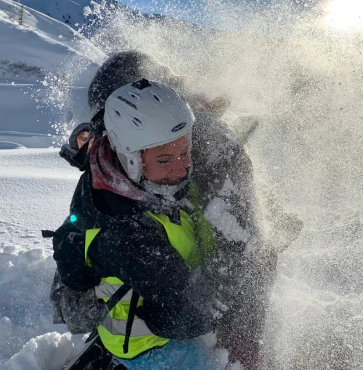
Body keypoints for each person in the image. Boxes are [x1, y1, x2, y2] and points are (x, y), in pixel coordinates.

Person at [52, 78, 274, 369]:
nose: (181, 167)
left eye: (185, 152)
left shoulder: (120, 173)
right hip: (155, 350)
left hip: (171, 301)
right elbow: (189, 316)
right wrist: (219, 292)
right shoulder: (127, 235)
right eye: (166, 159)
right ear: (132, 159)